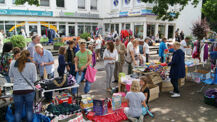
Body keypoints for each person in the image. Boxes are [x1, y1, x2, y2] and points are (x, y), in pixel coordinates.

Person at [9, 50, 37, 122]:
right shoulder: (32, 65)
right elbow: (34, 79)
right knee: (29, 110)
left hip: (17, 89)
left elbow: (10, 76)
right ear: (29, 56)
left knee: (18, 110)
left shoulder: (13, 64)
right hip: (29, 90)